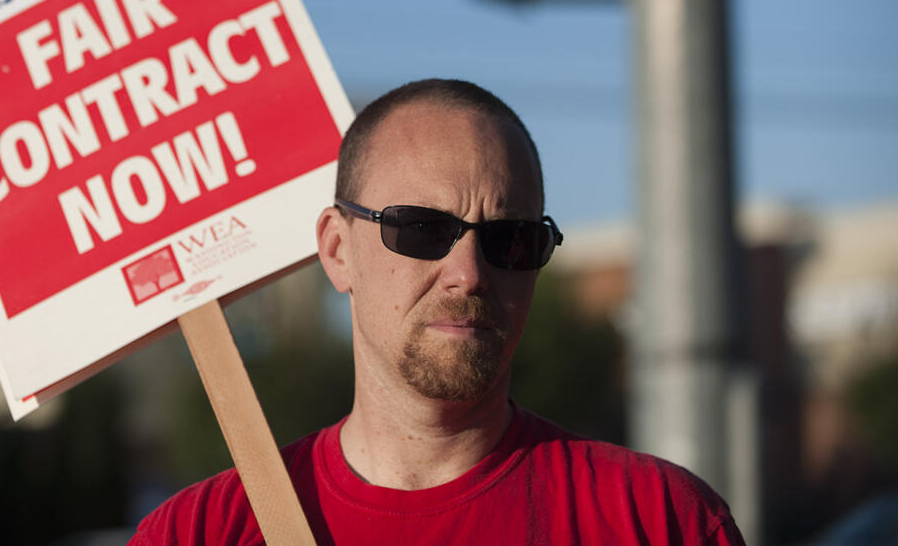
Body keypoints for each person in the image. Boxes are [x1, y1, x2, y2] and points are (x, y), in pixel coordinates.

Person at [132, 79, 745, 545]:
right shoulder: (197, 533)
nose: (470, 273)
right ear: (338, 251)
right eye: (423, 229)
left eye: (511, 241)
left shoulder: (659, 520)